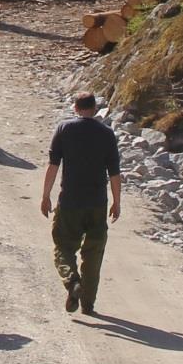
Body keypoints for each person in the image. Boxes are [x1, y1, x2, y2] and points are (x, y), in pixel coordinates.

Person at [40, 92, 123, 317]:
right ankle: (88, 304)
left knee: (63, 247)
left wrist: (46, 195)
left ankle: (72, 281)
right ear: (95, 109)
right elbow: (114, 172)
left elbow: (53, 165)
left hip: (70, 201)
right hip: (97, 203)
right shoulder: (106, 134)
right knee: (94, 253)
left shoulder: (64, 129)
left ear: (75, 108)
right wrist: (117, 202)